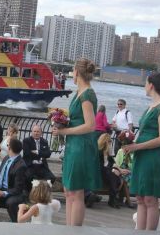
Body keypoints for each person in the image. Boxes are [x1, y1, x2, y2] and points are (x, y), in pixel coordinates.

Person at [52, 58, 100, 227]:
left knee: (77, 191)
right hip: (74, 144)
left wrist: (64, 131)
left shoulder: (87, 94)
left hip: (81, 145)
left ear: (77, 72)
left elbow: (90, 125)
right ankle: (69, 228)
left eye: (73, 71)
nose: (72, 74)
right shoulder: (80, 92)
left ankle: (74, 230)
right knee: (68, 191)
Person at [123, 72, 160, 231]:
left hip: (153, 156)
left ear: (152, 85)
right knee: (140, 197)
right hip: (142, 155)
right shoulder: (151, 107)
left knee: (150, 198)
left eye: (146, 83)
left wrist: (137, 146)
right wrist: (132, 144)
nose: (144, 86)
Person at [0, 137, 27, 222]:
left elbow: (18, 189)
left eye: (7, 145)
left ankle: (17, 223)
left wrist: (3, 193)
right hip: (0, 188)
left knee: (10, 202)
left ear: (9, 148)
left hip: (14, 193)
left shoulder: (21, 165)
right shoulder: (7, 158)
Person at [97, 133, 122, 208]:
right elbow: (101, 167)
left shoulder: (108, 155)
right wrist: (113, 170)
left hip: (107, 174)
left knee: (114, 175)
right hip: (100, 173)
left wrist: (119, 170)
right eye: (110, 142)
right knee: (113, 175)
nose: (111, 144)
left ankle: (113, 199)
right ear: (105, 142)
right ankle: (113, 199)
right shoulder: (99, 153)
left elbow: (113, 164)